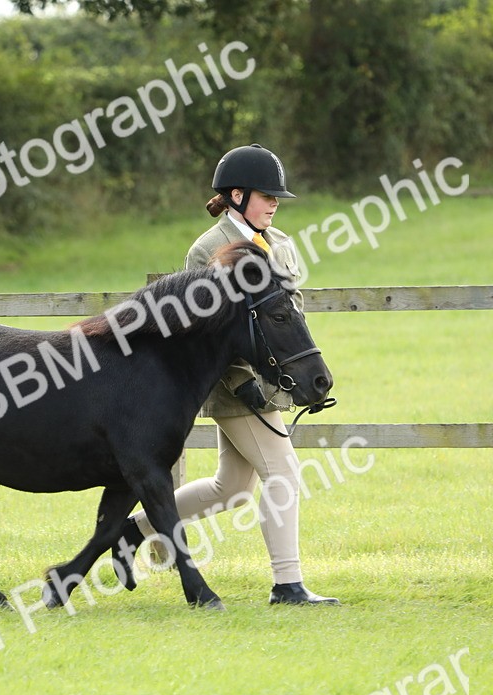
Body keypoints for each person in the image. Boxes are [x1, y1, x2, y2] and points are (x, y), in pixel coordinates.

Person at [110, 143, 338, 605]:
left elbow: (288, 318)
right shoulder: (208, 250)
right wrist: (246, 386)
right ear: (236, 195)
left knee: (231, 489)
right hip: (234, 388)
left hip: (276, 386)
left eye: (277, 197)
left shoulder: (283, 246)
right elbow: (206, 330)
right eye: (266, 195)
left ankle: (131, 530)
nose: (275, 203)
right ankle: (288, 585)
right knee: (283, 471)